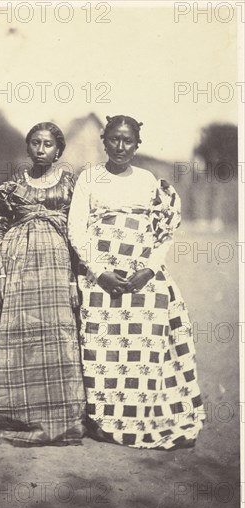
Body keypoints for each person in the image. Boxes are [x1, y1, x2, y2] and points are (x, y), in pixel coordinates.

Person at [68, 115, 204, 450]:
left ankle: (143, 413)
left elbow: (163, 233)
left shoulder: (147, 181)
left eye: (128, 141)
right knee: (102, 348)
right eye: (114, 139)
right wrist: (99, 272)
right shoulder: (89, 178)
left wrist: (149, 270)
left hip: (142, 277)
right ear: (104, 140)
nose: (120, 147)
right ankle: (104, 419)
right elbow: (77, 230)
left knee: (148, 340)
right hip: (101, 277)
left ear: (137, 144)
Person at [0, 122, 86, 446]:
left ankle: (60, 419)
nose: (41, 149)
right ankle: (15, 416)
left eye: (48, 144)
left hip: (55, 271)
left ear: (59, 151)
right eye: (36, 143)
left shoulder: (70, 187)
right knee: (18, 335)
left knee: (54, 336)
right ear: (28, 148)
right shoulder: (13, 188)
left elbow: (76, 235)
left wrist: (73, 280)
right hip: (17, 268)